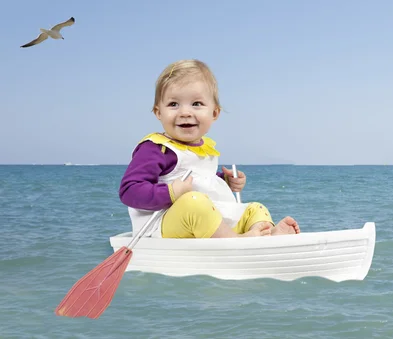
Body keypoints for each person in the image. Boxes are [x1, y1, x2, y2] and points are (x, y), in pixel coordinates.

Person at [119, 59, 300, 239]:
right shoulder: (157, 148)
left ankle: (267, 233)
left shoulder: (205, 148)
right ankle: (237, 240)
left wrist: (225, 182)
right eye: (173, 104)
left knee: (255, 208)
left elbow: (202, 181)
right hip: (164, 226)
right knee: (194, 202)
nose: (185, 112)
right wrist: (170, 192)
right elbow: (129, 190)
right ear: (158, 112)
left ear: (214, 113)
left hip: (205, 223)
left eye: (196, 104)